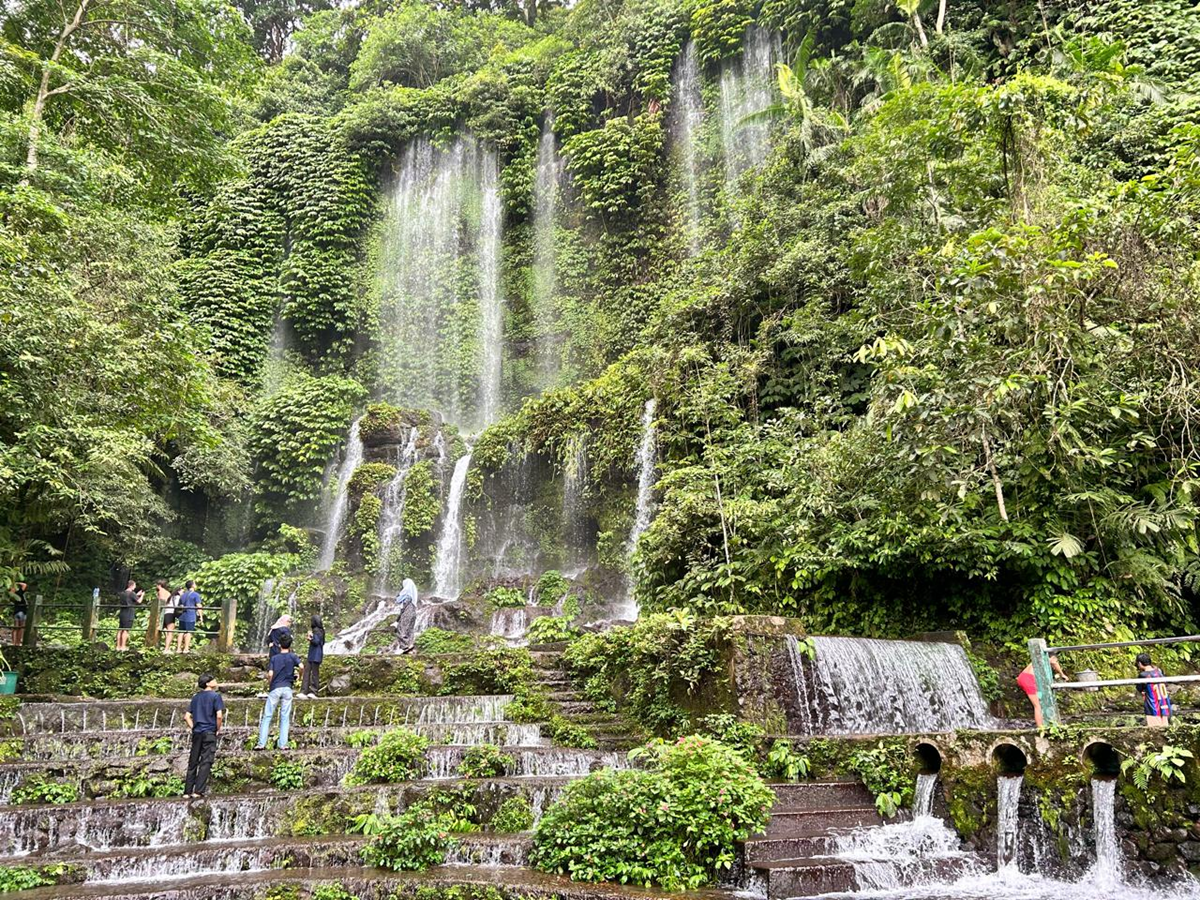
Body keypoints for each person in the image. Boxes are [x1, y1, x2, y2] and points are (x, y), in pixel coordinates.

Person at [255, 633, 302, 750]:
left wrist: (270, 683)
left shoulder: (274, 658)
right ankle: (283, 744)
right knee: (285, 717)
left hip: (275, 688)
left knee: (267, 716)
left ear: (279, 645)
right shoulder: (293, 656)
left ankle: (261, 744)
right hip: (287, 688)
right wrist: (300, 677)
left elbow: (270, 674)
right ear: (290, 645)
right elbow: (301, 666)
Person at [184, 673, 224, 798]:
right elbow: (219, 715)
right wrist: (217, 729)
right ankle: (198, 791)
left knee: (193, 761)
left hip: (197, 732)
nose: (216, 681)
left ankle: (187, 791)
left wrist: (194, 727)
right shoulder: (216, 696)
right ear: (208, 683)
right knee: (206, 761)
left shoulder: (195, 697)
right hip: (209, 732)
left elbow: (186, 717)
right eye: (213, 680)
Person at [1017, 653, 1065, 728]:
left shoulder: (1039, 658)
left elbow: (1054, 663)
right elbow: (1055, 663)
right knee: (1038, 706)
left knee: (1040, 698)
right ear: (1052, 657)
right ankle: (1040, 728)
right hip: (1029, 680)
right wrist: (1062, 674)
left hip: (1026, 678)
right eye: (1055, 659)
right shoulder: (1044, 659)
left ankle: (1044, 722)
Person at [1135, 652, 1174, 727]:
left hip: (1153, 705)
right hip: (1164, 703)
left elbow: (1139, 688)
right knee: (1165, 728)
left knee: (1155, 729)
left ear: (1139, 663)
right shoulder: (1159, 671)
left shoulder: (1143, 675)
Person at [115, 579, 143, 652]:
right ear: (132, 585)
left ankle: (118, 646)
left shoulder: (123, 593)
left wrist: (137, 595)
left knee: (120, 629)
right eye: (135, 586)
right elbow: (139, 601)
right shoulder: (132, 593)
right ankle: (123, 646)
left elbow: (129, 599)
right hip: (129, 612)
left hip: (122, 612)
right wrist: (142, 595)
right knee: (126, 630)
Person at [301, 615, 324, 699]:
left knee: (313, 673)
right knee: (308, 672)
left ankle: (312, 691)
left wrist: (311, 637)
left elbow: (317, 641)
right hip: (313, 655)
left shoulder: (318, 631)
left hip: (316, 655)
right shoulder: (319, 630)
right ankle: (305, 691)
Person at [394, 578, 418, 654]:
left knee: (401, 629)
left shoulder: (407, 595)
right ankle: (410, 646)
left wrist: (397, 619)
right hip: (413, 613)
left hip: (407, 613)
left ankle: (405, 646)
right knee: (409, 630)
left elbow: (400, 603)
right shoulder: (413, 595)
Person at [176, 581, 202, 654]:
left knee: (181, 632)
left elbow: (180, 605)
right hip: (190, 616)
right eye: (195, 584)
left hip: (182, 616)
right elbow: (199, 605)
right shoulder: (196, 595)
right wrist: (201, 616)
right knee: (189, 632)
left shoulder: (183, 595)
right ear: (192, 586)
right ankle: (186, 648)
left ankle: (178, 649)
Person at [157, 581, 177, 654]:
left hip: (166, 612)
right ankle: (166, 648)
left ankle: (165, 648)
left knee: (167, 631)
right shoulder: (167, 592)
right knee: (170, 631)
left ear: (159, 585)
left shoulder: (161, 591)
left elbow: (161, 601)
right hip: (169, 612)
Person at [9, 581, 27, 646]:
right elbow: (24, 585)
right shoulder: (18, 593)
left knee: (17, 627)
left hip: (18, 611)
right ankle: (16, 642)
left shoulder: (13, 595)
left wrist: (15, 583)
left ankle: (16, 642)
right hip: (21, 611)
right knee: (19, 627)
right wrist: (17, 583)